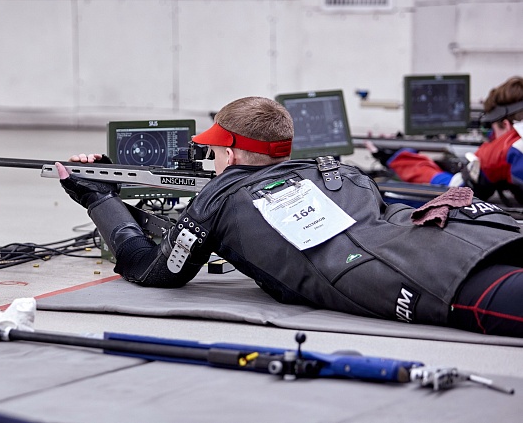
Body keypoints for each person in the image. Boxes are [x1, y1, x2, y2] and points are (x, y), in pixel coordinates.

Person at [56, 96, 523, 338]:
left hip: (418, 279)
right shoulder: (336, 169)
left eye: (215, 152)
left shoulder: (219, 199)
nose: (213, 162)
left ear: (231, 153)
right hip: (458, 233)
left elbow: (152, 271)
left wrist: (100, 200)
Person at [372, 76, 523, 203]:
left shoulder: (509, 147)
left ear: (506, 126)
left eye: (492, 131)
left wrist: (397, 157)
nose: (492, 139)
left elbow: (454, 190)